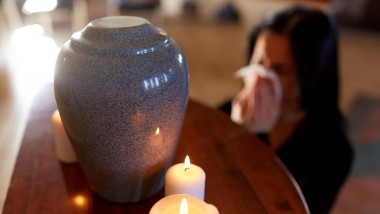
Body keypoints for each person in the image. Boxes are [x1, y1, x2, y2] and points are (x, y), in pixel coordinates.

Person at [221, 5, 353, 213]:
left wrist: (251, 141)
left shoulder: (333, 152)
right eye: (259, 61)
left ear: (311, 76)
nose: (260, 77)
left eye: (280, 70)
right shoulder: (232, 109)